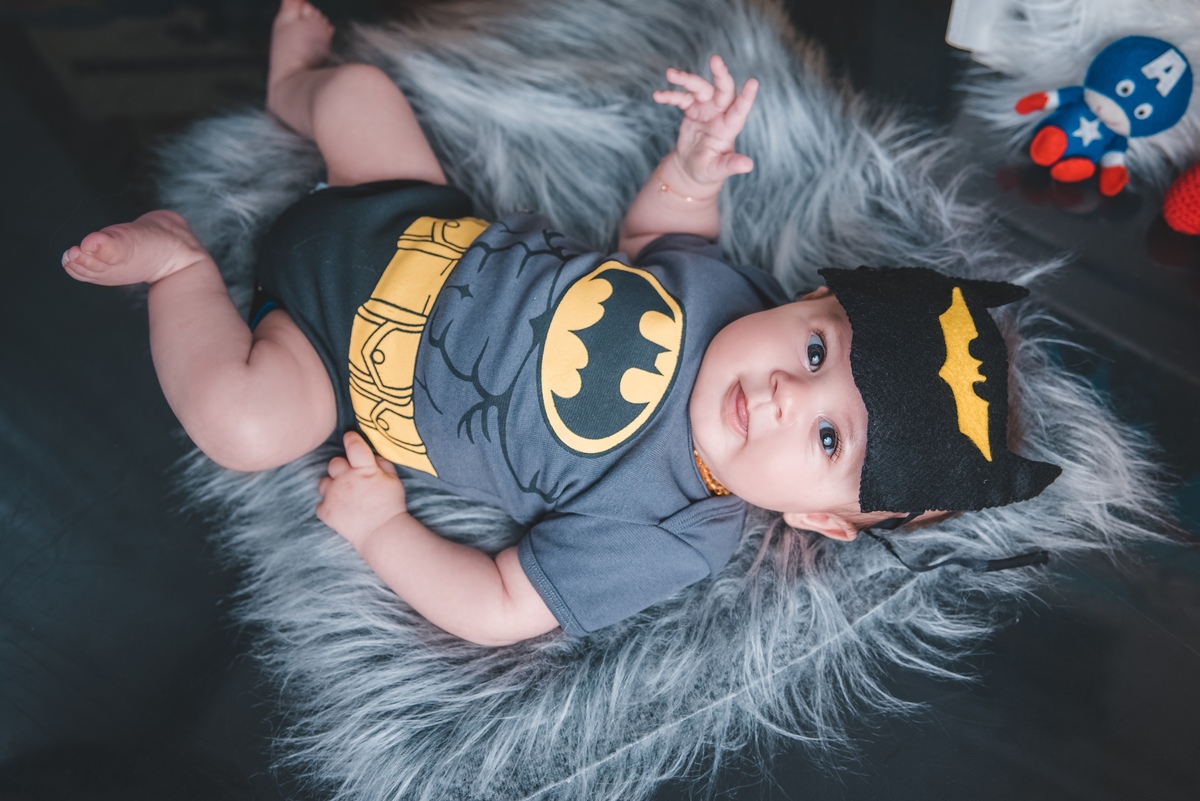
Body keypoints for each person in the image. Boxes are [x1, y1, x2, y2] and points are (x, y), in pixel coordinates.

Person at [61, 0, 1058, 646]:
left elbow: (501, 605)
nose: (785, 396)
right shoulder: (725, 300)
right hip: (408, 215)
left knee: (243, 426)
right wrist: (693, 171)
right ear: (808, 303)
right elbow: (658, 233)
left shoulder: (678, 532)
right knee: (360, 93)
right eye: (815, 351)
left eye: (829, 440)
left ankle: (180, 267)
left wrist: (382, 528)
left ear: (820, 520)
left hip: (338, 361)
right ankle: (295, 90)